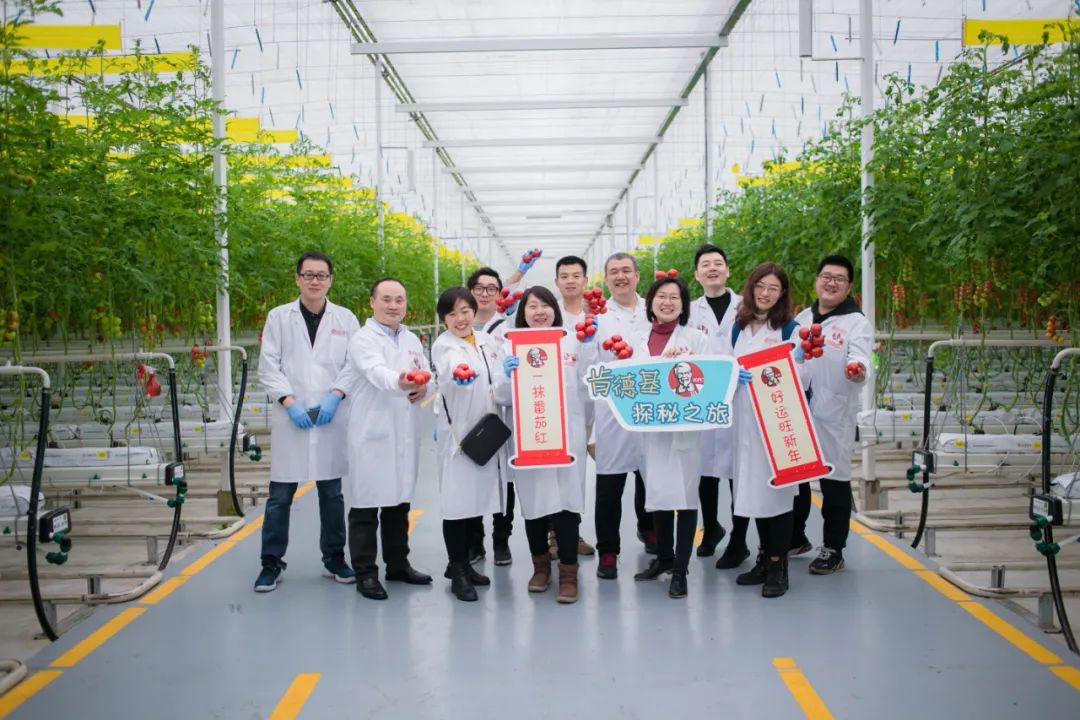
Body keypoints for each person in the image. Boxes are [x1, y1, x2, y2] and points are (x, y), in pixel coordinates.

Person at [253, 252, 359, 593]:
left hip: (331, 416)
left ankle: (335, 558)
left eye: (321, 275)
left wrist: (336, 395)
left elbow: (354, 364)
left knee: (332, 493)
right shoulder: (278, 317)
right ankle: (271, 562)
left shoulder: (345, 318)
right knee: (280, 495)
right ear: (297, 278)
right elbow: (268, 365)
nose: (315, 281)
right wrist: (289, 402)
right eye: (309, 275)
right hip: (291, 416)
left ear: (330, 280)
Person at [495, 287, 597, 603]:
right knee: (534, 504)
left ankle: (568, 573)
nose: (539, 312)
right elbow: (500, 397)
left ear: (555, 309)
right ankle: (540, 568)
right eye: (532, 306)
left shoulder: (572, 341)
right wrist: (506, 375)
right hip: (530, 438)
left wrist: (589, 346)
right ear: (522, 313)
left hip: (566, 439)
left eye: (545, 305)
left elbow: (588, 385)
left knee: (567, 504)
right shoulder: (509, 346)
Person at [345, 277, 434, 600]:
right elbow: (377, 372)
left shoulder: (410, 338)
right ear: (372, 302)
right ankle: (366, 573)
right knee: (366, 506)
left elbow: (426, 371)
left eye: (399, 299)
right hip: (372, 431)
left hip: (404, 430)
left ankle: (398, 564)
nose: (393, 306)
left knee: (399, 503)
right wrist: (402, 380)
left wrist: (424, 386)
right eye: (386, 299)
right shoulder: (362, 339)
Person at [722, 262, 805, 598]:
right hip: (744, 421)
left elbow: (802, 376)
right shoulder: (738, 327)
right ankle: (763, 557)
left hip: (777, 422)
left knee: (777, 495)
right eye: (761, 286)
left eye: (773, 288)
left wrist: (796, 364)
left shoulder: (790, 329)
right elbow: (725, 365)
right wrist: (733, 375)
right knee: (753, 492)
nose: (766, 293)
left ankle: (778, 565)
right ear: (751, 287)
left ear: (782, 293)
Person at [791, 255, 872, 574]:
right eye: (826, 276)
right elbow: (793, 359)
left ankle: (833, 548)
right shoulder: (803, 318)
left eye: (839, 279)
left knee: (833, 481)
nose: (831, 283)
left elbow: (860, 357)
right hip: (802, 408)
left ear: (848, 287)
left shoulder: (856, 322)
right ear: (817, 280)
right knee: (796, 476)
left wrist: (857, 369)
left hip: (834, 413)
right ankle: (796, 537)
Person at [632, 276, 710, 599]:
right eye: (661, 296)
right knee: (658, 494)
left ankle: (680, 569)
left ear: (683, 305)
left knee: (685, 497)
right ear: (650, 302)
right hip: (650, 431)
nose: (667, 302)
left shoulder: (696, 339)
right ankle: (663, 558)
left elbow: (708, 380)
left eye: (674, 297)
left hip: (683, 431)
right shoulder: (637, 338)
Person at [431, 287, 507, 601]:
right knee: (456, 505)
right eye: (452, 314)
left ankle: (464, 565)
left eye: (465, 311)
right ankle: (458, 570)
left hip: (487, 432)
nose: (460, 319)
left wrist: (508, 374)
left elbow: (497, 379)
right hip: (459, 437)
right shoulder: (444, 345)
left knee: (475, 502)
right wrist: (459, 374)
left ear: (474, 311)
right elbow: (451, 366)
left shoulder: (487, 341)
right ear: (444, 319)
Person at [463, 258, 539, 565]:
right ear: (469, 292)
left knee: (504, 478)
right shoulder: (459, 326)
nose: (484, 294)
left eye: (491, 289)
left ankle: (501, 539)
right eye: (478, 288)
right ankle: (474, 541)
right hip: (469, 412)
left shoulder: (508, 328)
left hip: (504, 411)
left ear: (499, 293)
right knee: (472, 475)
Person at [592, 252, 655, 579]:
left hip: (650, 404)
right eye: (614, 271)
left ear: (637, 276)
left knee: (650, 476)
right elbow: (587, 360)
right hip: (612, 409)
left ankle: (650, 529)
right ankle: (608, 551)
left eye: (626, 270)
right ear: (606, 279)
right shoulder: (597, 317)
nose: (621, 276)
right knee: (609, 485)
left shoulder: (654, 309)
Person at [687, 243, 749, 564]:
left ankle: (739, 538)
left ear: (728, 270)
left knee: (739, 469)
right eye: (705, 265)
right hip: (704, 397)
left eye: (718, 263)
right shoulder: (689, 311)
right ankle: (711, 528)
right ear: (697, 274)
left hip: (741, 397)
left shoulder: (746, 306)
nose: (712, 268)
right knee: (705, 468)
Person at [552, 254, 597, 558]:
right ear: (556, 282)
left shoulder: (596, 315)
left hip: (588, 403)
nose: (570, 281)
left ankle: (572, 533)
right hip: (554, 403)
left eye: (576, 275)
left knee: (576, 471)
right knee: (552, 471)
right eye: (564, 276)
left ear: (585, 280)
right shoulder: (548, 313)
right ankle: (554, 537)